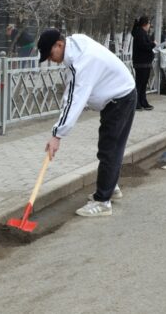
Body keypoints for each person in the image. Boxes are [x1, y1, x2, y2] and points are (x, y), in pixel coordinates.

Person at [38, 28, 136, 217]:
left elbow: (74, 101)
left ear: (59, 44)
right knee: (108, 148)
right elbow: (71, 93)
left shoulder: (82, 62)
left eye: (50, 54)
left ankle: (103, 202)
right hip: (118, 97)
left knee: (110, 150)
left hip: (120, 99)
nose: (50, 59)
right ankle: (110, 187)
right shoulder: (76, 46)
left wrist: (57, 135)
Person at [131, 16, 156, 111]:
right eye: (149, 24)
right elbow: (144, 46)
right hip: (141, 63)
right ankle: (137, 103)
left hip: (144, 62)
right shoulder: (140, 33)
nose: (149, 26)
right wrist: (153, 44)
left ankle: (142, 101)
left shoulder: (141, 33)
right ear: (145, 24)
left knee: (143, 83)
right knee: (140, 83)